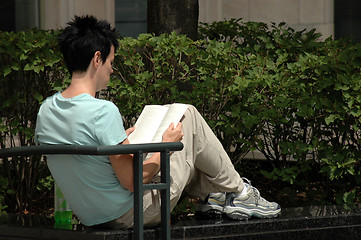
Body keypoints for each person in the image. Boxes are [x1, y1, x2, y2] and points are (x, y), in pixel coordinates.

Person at [35, 15, 281, 228]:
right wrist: (164, 146)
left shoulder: (46, 110)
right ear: (97, 59)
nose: (112, 69)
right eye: (111, 61)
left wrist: (124, 138)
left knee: (182, 145)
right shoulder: (102, 111)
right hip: (130, 213)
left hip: (91, 215)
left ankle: (217, 194)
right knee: (188, 117)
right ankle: (240, 192)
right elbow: (133, 181)